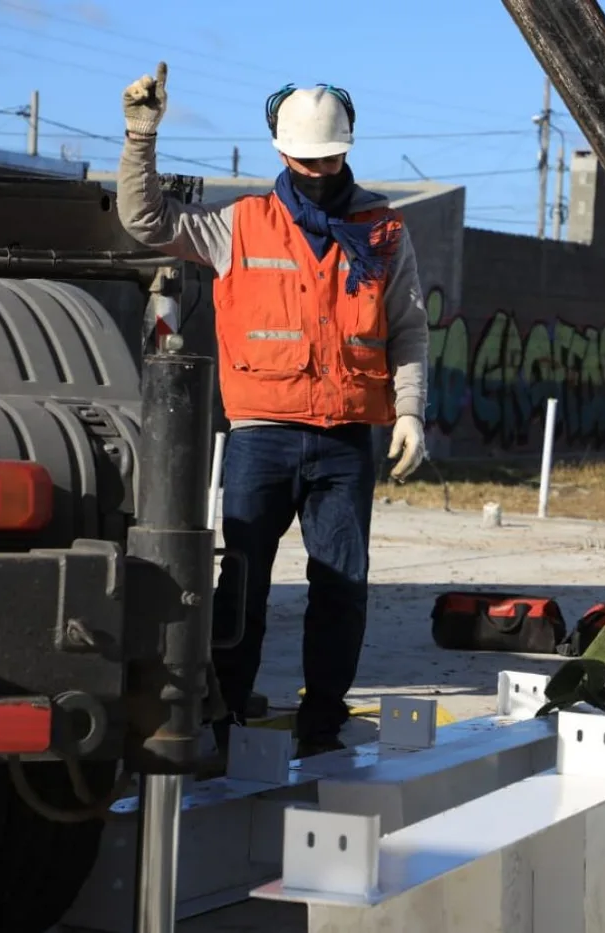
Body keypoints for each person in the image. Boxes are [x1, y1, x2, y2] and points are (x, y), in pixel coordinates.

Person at [116, 63, 429, 758]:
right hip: (263, 438)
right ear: (281, 154)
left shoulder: (382, 233)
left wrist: (409, 411)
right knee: (242, 589)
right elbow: (145, 220)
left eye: (331, 158)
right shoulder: (240, 226)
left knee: (342, 589)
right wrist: (142, 136)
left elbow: (407, 327)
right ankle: (224, 722)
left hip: (346, 439)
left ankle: (322, 727)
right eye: (306, 159)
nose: (319, 170)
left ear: (347, 151)